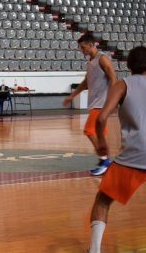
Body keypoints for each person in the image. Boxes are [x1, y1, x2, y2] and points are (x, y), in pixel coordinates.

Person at [87, 46, 146, 252]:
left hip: (134, 156)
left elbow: (102, 117)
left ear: (128, 65)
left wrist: (102, 143)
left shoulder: (122, 85)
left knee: (103, 201)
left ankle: (94, 250)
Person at [63, 32, 117, 176]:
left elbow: (113, 78)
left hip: (102, 104)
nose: (82, 50)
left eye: (83, 47)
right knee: (100, 135)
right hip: (95, 103)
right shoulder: (90, 62)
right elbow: (86, 82)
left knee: (89, 131)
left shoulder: (102, 59)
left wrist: (111, 100)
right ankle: (105, 160)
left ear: (91, 45)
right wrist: (72, 95)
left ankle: (105, 160)